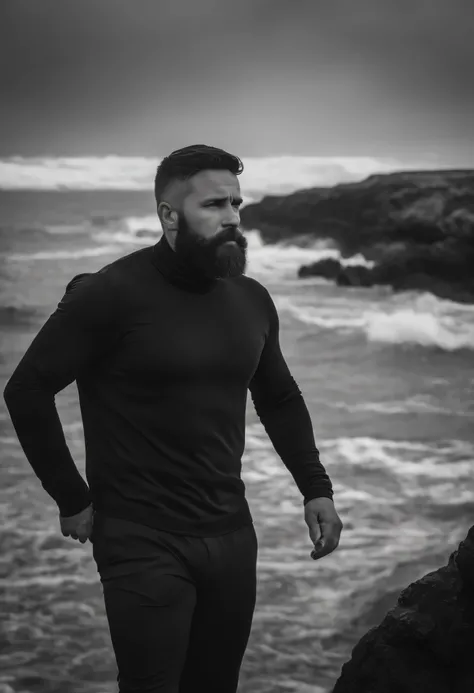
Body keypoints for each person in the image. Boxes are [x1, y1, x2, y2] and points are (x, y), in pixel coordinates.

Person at [3, 144, 343, 693]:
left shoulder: (251, 299)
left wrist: (315, 488)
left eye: (237, 203)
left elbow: (278, 397)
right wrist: (71, 497)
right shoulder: (109, 294)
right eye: (214, 204)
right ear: (168, 214)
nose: (232, 217)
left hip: (232, 534)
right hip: (142, 537)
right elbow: (28, 390)